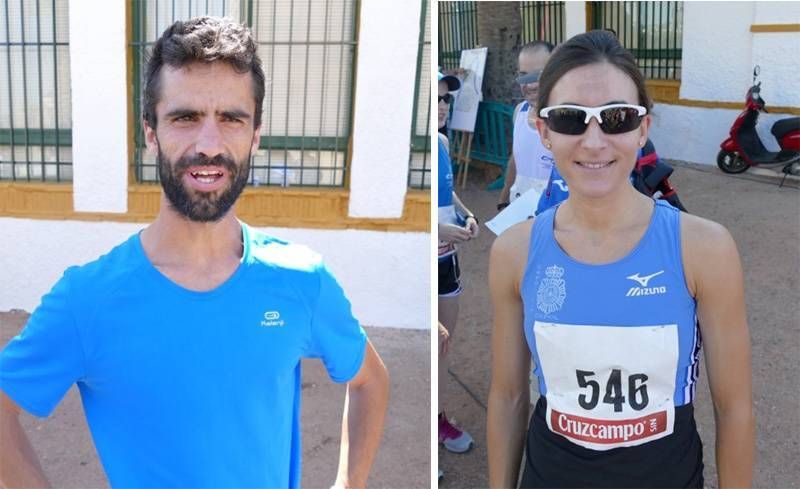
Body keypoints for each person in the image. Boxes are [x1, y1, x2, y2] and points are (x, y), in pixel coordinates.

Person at [0, 17, 389, 489]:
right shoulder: (88, 299)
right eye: (185, 118)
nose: (209, 145)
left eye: (231, 118)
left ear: (255, 135)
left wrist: (351, 483)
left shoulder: (301, 280)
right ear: (150, 132)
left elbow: (370, 380)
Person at [487, 31, 754, 488]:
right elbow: (509, 396)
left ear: (643, 129)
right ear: (543, 130)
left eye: (616, 118)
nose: (594, 142)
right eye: (570, 119)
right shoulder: (513, 251)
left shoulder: (704, 248)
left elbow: (735, 410)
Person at [437, 72, 480, 455]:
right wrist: (436, 231)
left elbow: (449, 195)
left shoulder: (444, 142)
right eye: (435, 100)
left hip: (447, 261)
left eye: (445, 100)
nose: (442, 107)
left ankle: (439, 420)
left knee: (444, 345)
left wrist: (466, 217)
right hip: (425, 263)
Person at [497, 41, 555, 211]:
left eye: (539, 75)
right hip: (519, 208)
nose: (530, 85)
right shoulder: (519, 112)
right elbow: (516, 158)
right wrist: (504, 197)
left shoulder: (567, 118)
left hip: (554, 213)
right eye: (524, 76)